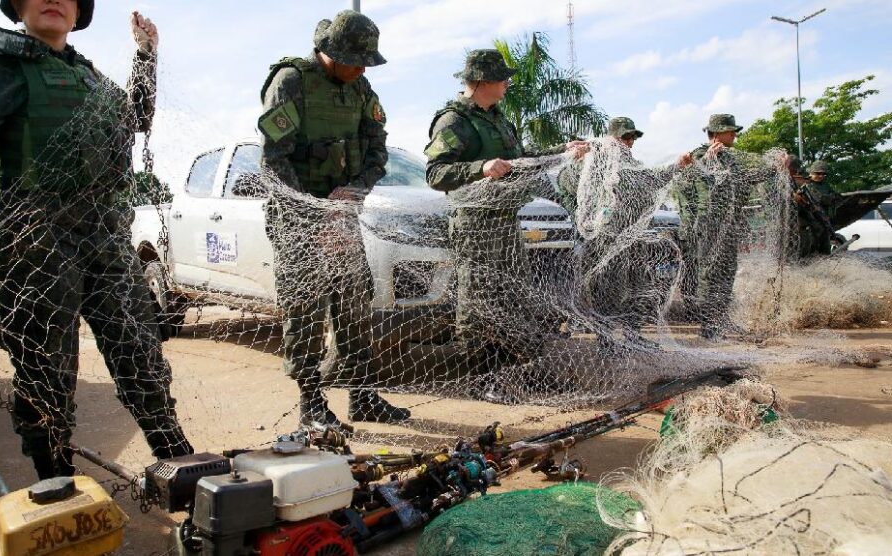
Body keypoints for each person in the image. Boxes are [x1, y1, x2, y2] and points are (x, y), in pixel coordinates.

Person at [0, 0, 193, 479]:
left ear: (79, 13)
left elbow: (134, 118)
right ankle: (55, 477)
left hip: (102, 234)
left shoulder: (88, 77)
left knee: (140, 351)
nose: (54, 0)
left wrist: (146, 55)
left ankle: (179, 459)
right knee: (45, 371)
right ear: (18, 6)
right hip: (33, 240)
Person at [259, 10, 410, 426]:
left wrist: (355, 191)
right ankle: (311, 406)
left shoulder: (361, 88)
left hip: (342, 215)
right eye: (355, 59)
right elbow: (273, 160)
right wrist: (315, 212)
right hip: (299, 218)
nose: (363, 68)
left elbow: (378, 152)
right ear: (330, 52)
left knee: (354, 305)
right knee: (305, 309)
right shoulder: (291, 82)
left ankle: (363, 395)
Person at [424, 49, 587, 378]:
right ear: (482, 81)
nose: (508, 84)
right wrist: (480, 167)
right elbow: (436, 174)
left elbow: (522, 160)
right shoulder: (454, 121)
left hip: (506, 221)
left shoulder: (499, 119)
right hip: (475, 226)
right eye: (503, 78)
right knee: (479, 302)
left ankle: (512, 371)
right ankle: (481, 377)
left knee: (513, 296)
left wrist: (562, 152)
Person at [579, 117, 693, 350]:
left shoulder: (632, 163)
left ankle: (633, 335)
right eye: (625, 137)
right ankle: (607, 341)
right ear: (612, 138)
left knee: (636, 287)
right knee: (607, 290)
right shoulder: (596, 161)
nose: (630, 142)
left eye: (633, 137)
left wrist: (677, 166)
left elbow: (651, 180)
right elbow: (576, 187)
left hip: (632, 237)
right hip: (607, 239)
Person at [673, 114, 782, 339]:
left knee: (726, 274)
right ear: (717, 132)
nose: (735, 135)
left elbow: (746, 178)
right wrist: (707, 162)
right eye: (730, 131)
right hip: (708, 224)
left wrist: (774, 169)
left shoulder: (730, 159)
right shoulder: (700, 155)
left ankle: (721, 320)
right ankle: (708, 326)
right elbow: (690, 180)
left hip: (728, 224)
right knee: (709, 275)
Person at [794, 160, 841, 257]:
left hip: (823, 220)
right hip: (809, 221)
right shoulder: (805, 185)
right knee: (810, 246)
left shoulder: (825, 185)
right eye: (818, 173)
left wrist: (831, 198)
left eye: (824, 174)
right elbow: (816, 199)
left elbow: (836, 197)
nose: (821, 176)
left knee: (824, 247)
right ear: (811, 173)